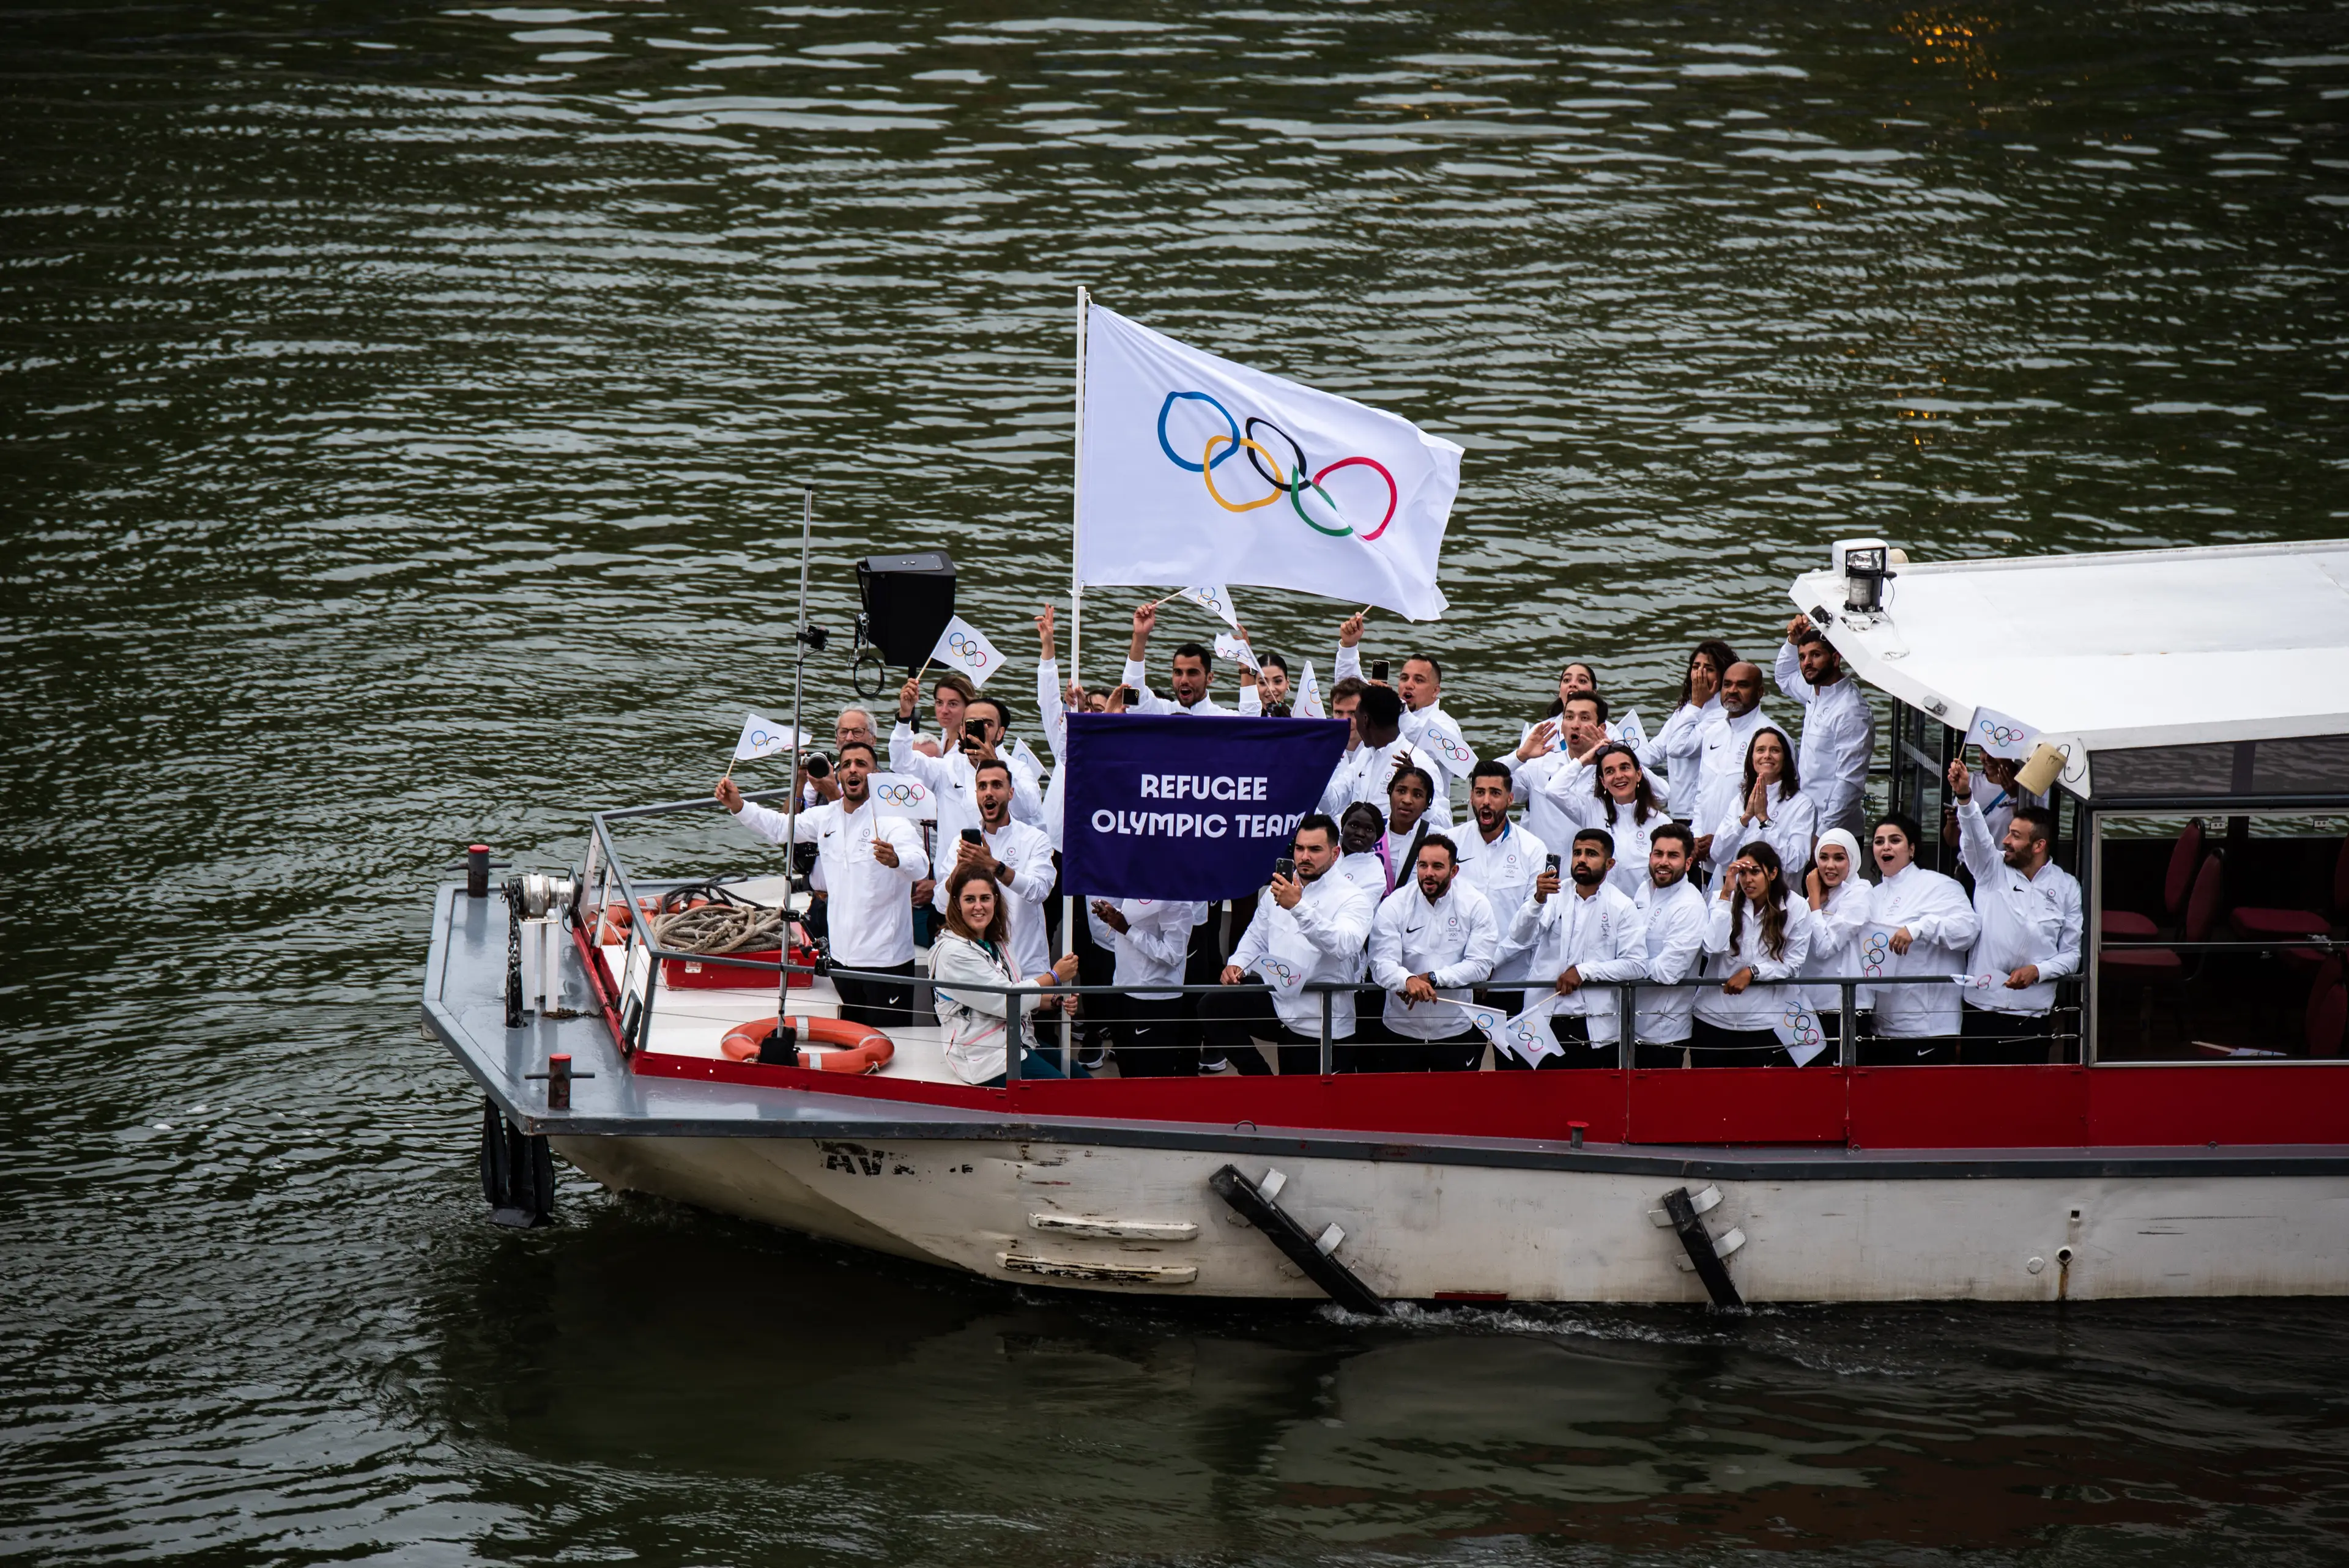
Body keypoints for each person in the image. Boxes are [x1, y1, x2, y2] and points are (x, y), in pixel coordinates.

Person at [716, 739, 928, 1026]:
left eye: (862, 764)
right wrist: (739, 806)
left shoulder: (893, 821)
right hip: (841, 958)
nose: (854, 770)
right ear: (839, 774)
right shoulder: (826, 816)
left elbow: (920, 864)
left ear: (876, 775)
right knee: (854, 1035)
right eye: (847, 764)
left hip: (886, 962)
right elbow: (781, 827)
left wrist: (897, 860)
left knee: (893, 1041)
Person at [1204, 816, 1379, 1074]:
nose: (1305, 856)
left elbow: (1343, 945)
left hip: (1322, 1022)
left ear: (1335, 852)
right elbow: (1256, 935)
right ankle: (1261, 1081)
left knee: (1313, 1108)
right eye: (1300, 848)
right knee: (1212, 1005)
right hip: (1280, 1006)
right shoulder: (1278, 889)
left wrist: (1298, 907)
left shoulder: (1353, 898)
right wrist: (1237, 963)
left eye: (1315, 850)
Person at [1946, 760, 2084, 1064]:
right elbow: (1977, 837)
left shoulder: (2067, 887)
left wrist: (2038, 971)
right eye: (2008, 833)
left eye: (2015, 836)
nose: (2005, 841)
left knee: (2025, 1101)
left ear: (2039, 846)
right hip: (1982, 1008)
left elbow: (2072, 954)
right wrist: (1965, 797)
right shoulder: (1991, 868)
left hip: (2032, 1014)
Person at [1506, 827, 1649, 1068]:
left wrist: (1584, 971)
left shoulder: (1622, 905)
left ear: (1610, 863)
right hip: (1542, 1019)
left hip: (1592, 1026)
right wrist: (1536, 900)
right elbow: (1519, 937)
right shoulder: (1554, 894)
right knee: (1536, 1101)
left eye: (1591, 854)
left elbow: (1637, 965)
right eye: (1577, 853)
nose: (1581, 859)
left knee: (1589, 1102)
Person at [932, 863, 1082, 1085]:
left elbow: (1012, 995)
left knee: (1085, 1082)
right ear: (956, 904)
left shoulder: (997, 942)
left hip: (1016, 1041)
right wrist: (1055, 976)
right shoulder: (952, 953)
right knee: (1066, 1091)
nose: (978, 906)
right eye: (970, 899)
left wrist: (1054, 1001)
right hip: (985, 1056)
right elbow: (1006, 999)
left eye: (985, 898)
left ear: (995, 901)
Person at [1364, 835, 1498, 1071]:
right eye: (1423, 865)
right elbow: (1380, 962)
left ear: (1454, 870)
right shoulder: (1396, 904)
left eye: (1438, 867)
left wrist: (1433, 979)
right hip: (1400, 1030)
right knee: (1397, 1108)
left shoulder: (1476, 903)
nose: (1428, 873)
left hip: (1455, 1030)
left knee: (1452, 1108)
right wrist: (1408, 980)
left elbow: (1481, 965)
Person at [1865, 810, 1980, 1061]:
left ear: (1912, 849)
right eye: (1879, 841)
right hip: (1880, 1027)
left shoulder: (1938, 885)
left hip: (1928, 1028)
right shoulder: (1871, 896)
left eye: (1895, 840)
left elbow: (1968, 929)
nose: (1886, 847)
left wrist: (1919, 928)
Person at [932, 758, 1056, 988]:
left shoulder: (1034, 838)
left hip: (1027, 967)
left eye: (997, 786)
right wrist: (958, 872)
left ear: (1010, 793)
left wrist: (994, 866)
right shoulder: (961, 843)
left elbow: (1039, 891)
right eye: (982, 786)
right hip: (978, 969)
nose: (989, 793)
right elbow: (941, 904)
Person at [890, 677, 1046, 853]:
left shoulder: (1018, 770)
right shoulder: (946, 767)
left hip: (997, 873)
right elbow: (902, 763)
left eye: (987, 724)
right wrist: (904, 717)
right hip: (951, 872)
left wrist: (993, 765)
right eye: (973, 724)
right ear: (963, 730)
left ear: (1001, 732)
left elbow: (1029, 810)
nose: (982, 730)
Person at [1693, 841, 1812, 1067]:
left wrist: (1753, 972)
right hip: (1713, 1017)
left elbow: (1794, 964)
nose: (1748, 880)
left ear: (1773, 872)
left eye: (1755, 872)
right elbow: (1712, 947)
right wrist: (1726, 894)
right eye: (1743, 873)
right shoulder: (1722, 898)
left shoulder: (1796, 907)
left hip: (1765, 1023)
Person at [1452, 760, 1549, 1015]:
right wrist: (1470, 968)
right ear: (1471, 796)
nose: (1486, 801)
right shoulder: (1451, 843)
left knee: (1512, 1056)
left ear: (1510, 799)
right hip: (1458, 979)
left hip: (1512, 980)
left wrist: (1489, 964)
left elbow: (1534, 919)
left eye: (1495, 793)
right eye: (1480, 792)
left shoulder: (1533, 848)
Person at [1332, 613, 1472, 787]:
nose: (1409, 685)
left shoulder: (1445, 725)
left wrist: (1398, 708)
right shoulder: (1389, 713)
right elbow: (1349, 695)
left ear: (1436, 690)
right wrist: (1349, 646)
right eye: (1404, 678)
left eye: (1419, 680)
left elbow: (1433, 748)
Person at [1774, 615, 1876, 843]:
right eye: (1802, 657)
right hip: (1805, 821)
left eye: (1815, 655)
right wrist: (1792, 642)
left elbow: (1849, 782)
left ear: (1836, 658)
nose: (1806, 663)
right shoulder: (1815, 691)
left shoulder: (1850, 711)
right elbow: (1783, 678)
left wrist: (1822, 834)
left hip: (1835, 833)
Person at [1085, 893, 1198, 1078]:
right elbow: (1137, 922)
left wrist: (1127, 930)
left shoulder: (1177, 895)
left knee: (1152, 1081)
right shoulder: (1137, 881)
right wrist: (1114, 916)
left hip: (1153, 1000)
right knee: (1128, 1074)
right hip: (1122, 989)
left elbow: (1173, 955)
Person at [1319, 682, 1449, 827]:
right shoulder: (1365, 756)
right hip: (1358, 846)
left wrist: (1418, 788)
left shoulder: (1420, 763)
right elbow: (1331, 805)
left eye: (1355, 715)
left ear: (1366, 720)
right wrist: (1321, 768)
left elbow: (1445, 823)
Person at [1633, 824, 1709, 1067]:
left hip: (1664, 1031)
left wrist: (1619, 968)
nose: (1663, 862)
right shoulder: (1643, 890)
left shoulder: (1690, 905)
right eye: (1659, 854)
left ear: (1688, 863)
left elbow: (1668, 971)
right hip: (1628, 1022)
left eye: (1673, 856)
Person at [1690, 660, 1772, 870]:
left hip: (1745, 858)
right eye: (1727, 684)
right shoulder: (1713, 732)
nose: (1732, 691)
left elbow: (1776, 803)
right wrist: (1697, 836)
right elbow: (1701, 793)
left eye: (1742, 685)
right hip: (1703, 857)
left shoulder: (1772, 738)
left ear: (1760, 691)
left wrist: (1722, 839)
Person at [1508, 692, 1616, 852]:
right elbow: (1487, 779)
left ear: (1601, 728)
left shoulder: (1614, 773)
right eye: (1569, 717)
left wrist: (1612, 752)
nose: (1575, 725)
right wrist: (1520, 756)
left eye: (1585, 718)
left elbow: (1659, 793)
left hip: (1594, 873)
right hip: (1545, 870)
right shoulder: (1539, 766)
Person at [1800, 827, 1876, 1047]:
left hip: (1846, 1006)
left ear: (1852, 860)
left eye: (1839, 858)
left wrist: (1813, 900)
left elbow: (1824, 947)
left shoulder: (1861, 892)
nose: (1830, 865)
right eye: (1823, 857)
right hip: (1811, 1003)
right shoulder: (1822, 894)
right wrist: (1815, 901)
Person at [1569, 742, 1673, 899]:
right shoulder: (1591, 810)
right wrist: (1583, 761)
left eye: (1625, 768)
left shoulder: (1661, 822)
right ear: (1603, 782)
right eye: (1610, 771)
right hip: (1598, 908)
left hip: (1643, 911)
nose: (1618, 776)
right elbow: (1553, 791)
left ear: (1639, 774)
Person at [1713, 727, 1816, 877]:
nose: (1767, 755)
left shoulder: (1802, 804)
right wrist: (1745, 819)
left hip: (1781, 896)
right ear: (1752, 758)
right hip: (1740, 894)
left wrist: (1765, 820)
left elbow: (1796, 863)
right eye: (1761, 750)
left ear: (1785, 759)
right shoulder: (1740, 800)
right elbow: (1718, 854)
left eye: (1775, 750)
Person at [1642, 639, 1737, 789]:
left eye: (1709, 669)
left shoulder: (1725, 716)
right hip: (1677, 807)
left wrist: (1697, 704)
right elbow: (1654, 751)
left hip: (1699, 808)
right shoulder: (1685, 710)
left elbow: (1678, 748)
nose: (1700, 674)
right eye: (1696, 667)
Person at [1119, 602, 1229, 715]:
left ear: (1209, 678)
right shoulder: (1161, 711)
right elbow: (1131, 698)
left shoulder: (1225, 719)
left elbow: (1249, 723)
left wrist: (1246, 668)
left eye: (1192, 673)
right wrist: (1140, 636)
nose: (1184, 681)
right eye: (1178, 673)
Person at [1377, 765, 1436, 895]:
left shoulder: (1436, 839)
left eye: (1418, 795)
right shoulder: (1371, 830)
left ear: (1428, 803)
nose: (1407, 800)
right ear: (1390, 792)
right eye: (1401, 791)